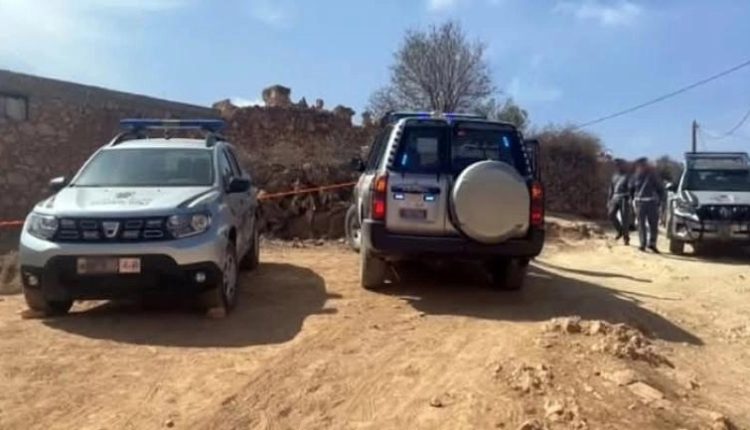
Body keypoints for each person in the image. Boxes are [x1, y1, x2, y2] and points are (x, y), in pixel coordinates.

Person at [630, 157, 667, 253]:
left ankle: (652, 243)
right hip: (640, 202)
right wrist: (632, 200)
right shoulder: (635, 177)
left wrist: (661, 202)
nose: (641, 167)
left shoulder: (653, 175)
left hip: (652, 202)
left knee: (653, 224)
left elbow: (661, 189)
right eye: (639, 166)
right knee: (641, 224)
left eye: (643, 165)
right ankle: (642, 243)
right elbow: (631, 189)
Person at [607, 159, 631, 245]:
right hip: (615, 197)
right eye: (617, 165)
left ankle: (626, 238)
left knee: (625, 218)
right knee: (611, 214)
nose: (618, 167)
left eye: (619, 165)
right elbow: (611, 189)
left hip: (624, 197)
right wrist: (609, 200)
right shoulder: (614, 176)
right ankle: (620, 230)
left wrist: (631, 198)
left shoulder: (628, 176)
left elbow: (632, 188)